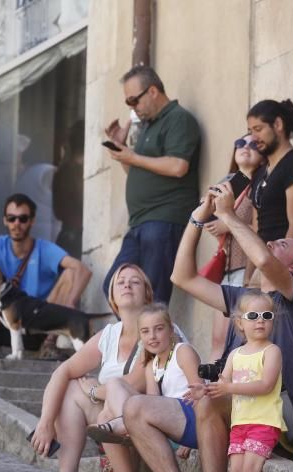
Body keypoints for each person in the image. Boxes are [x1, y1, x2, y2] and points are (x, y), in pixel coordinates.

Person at [125, 176, 293, 472]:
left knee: (210, 400)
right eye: (275, 238)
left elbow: (260, 256)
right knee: (135, 408)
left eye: (284, 244)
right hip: (230, 406)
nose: (273, 241)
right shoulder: (243, 297)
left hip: (268, 410)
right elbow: (181, 276)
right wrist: (198, 219)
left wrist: (228, 216)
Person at [28, 264, 153, 472]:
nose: (126, 284)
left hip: (144, 419)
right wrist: (45, 422)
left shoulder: (157, 329)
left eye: (135, 281)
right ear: (112, 298)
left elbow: (136, 384)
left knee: (91, 389)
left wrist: (95, 390)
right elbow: (62, 371)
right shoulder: (108, 335)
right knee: (72, 386)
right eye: (120, 281)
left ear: (147, 294)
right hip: (113, 419)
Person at [84, 303, 202, 472]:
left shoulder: (183, 352)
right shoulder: (152, 364)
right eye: (145, 331)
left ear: (171, 330)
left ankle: (125, 424)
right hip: (168, 426)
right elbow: (153, 401)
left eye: (159, 329)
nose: (152, 336)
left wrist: (194, 441)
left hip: (189, 421)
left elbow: (200, 395)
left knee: (114, 391)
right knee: (104, 414)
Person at [191, 290, 285, 472]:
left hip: (264, 422)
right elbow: (223, 385)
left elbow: (266, 385)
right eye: (253, 316)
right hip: (240, 423)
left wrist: (229, 387)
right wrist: (205, 390)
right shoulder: (235, 354)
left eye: (267, 316)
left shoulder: (272, 351)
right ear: (239, 323)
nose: (260, 321)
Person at [101, 65, 201, 303]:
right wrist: (122, 151)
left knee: (153, 296)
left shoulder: (178, 119)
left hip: (164, 219)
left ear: (153, 91)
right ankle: (136, 337)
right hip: (139, 222)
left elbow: (178, 166)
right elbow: (137, 170)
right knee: (114, 287)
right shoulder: (147, 126)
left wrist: (132, 156)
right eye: (128, 102)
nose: (132, 107)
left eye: (134, 100)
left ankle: (151, 339)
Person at [0, 193, 91, 356]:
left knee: (70, 274)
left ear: (32, 221)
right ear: (5, 221)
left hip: (37, 326)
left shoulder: (44, 249)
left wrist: (71, 302)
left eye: (23, 219)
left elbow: (82, 269)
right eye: (11, 218)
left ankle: (49, 344)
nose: (16, 224)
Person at [190, 133, 265, 358]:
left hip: (248, 270)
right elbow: (203, 215)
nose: (245, 147)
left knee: (241, 338)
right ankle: (212, 388)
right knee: (218, 339)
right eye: (240, 143)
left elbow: (262, 230)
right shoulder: (230, 185)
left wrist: (228, 225)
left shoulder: (260, 186)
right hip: (227, 271)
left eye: (253, 144)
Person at [246, 99, 293, 248]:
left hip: (286, 266)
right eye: (250, 131)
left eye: (258, 129)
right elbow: (257, 232)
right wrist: (252, 272)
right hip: (263, 263)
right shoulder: (260, 173)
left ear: (278, 124)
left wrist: (278, 270)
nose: (253, 138)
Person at [52, 122, 84, 258]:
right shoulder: (74, 172)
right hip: (76, 233)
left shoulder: (62, 172)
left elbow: (58, 211)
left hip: (67, 233)